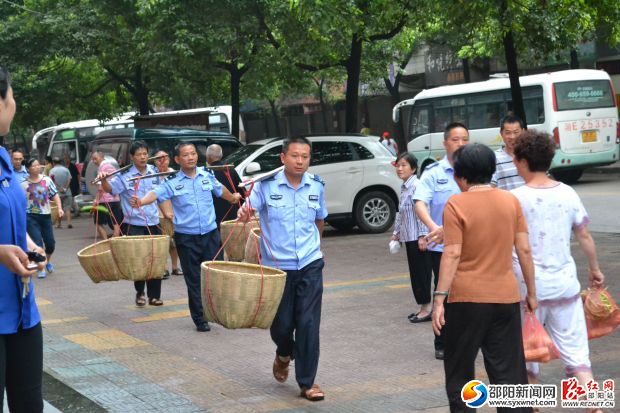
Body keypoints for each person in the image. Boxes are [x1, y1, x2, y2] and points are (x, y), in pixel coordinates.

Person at [431, 143, 537, 413]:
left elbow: (452, 253)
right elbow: (524, 249)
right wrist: (532, 293)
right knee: (509, 376)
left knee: (461, 373)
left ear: (459, 174)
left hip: (465, 300)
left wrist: (439, 298)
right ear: (491, 170)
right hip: (505, 298)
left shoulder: (456, 204)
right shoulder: (510, 201)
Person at [511, 130, 604, 403]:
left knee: (527, 353)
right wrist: (595, 269)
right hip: (564, 285)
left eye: (516, 159)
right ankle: (594, 407)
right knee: (577, 353)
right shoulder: (568, 192)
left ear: (524, 160)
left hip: (527, 291)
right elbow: (584, 235)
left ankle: (534, 408)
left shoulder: (514, 198)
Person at [238, 136, 328, 402]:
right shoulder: (265, 186)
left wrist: (316, 250)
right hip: (277, 268)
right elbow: (248, 209)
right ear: (283, 158)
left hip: (310, 263)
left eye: (305, 157)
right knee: (282, 325)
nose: (300, 161)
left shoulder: (316, 186)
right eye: (295, 156)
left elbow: (319, 220)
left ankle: (307, 382)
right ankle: (283, 354)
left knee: (309, 323)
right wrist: (244, 213)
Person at [132, 142, 241, 331]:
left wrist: (232, 197)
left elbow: (219, 190)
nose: (190, 157)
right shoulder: (172, 182)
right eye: (185, 155)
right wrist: (140, 201)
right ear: (177, 159)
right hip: (186, 238)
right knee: (194, 278)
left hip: (210, 235)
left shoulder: (207, 175)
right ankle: (200, 319)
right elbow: (155, 194)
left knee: (215, 276)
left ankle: (214, 311)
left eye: (193, 154)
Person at [0, 64, 46, 412]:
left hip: (21, 309)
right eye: (12, 95)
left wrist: (27, 241)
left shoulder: (4, 160)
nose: (13, 104)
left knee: (29, 403)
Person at [413, 122, 469, 360]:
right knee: (444, 292)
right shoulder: (434, 173)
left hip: (472, 245)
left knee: (468, 292)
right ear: (445, 143)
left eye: (465, 139)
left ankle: (469, 339)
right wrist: (434, 227)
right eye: (455, 139)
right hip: (441, 247)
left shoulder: (475, 170)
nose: (460, 144)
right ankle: (442, 341)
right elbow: (419, 203)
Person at [99, 141, 164, 307]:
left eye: (145, 153)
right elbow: (110, 190)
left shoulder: (154, 171)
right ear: (132, 157)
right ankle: (140, 293)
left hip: (154, 222)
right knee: (139, 260)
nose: (143, 157)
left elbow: (161, 194)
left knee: (155, 259)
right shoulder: (125, 174)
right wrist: (104, 181)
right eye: (139, 154)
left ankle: (155, 296)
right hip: (133, 223)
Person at [391, 152, 433, 323]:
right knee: (416, 274)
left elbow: (423, 211)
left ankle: (427, 309)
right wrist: (396, 232)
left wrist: (424, 235)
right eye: (398, 165)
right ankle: (423, 307)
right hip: (409, 237)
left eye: (404, 165)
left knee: (422, 274)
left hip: (418, 238)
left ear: (413, 168)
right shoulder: (404, 187)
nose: (400, 169)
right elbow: (401, 213)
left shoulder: (417, 185)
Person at [21, 158, 63, 279]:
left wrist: (59, 208)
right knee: (37, 243)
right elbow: (18, 201)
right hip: (30, 217)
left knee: (50, 244)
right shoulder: (23, 184)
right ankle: (41, 267)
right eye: (34, 166)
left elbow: (55, 195)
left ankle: (47, 261)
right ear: (28, 169)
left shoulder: (47, 180)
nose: (38, 167)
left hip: (45, 216)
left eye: (38, 165)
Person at [153, 150, 182, 278]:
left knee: (174, 242)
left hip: (173, 213)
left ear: (169, 159)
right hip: (157, 214)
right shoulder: (152, 175)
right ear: (154, 161)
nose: (162, 161)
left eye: (165, 158)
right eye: (159, 159)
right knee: (162, 243)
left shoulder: (174, 174)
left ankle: (175, 267)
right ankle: (163, 268)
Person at [206, 143, 243, 228]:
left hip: (213, 217)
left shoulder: (206, 174)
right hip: (232, 215)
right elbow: (241, 191)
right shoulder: (230, 170)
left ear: (207, 158)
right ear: (221, 155)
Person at [90, 151, 123, 239]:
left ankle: (106, 243)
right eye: (92, 159)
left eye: (95, 158)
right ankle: (115, 244)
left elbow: (101, 188)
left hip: (104, 200)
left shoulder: (102, 167)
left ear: (102, 157)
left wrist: (96, 200)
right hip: (116, 199)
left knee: (98, 224)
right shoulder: (111, 167)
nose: (94, 161)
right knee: (116, 224)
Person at [491, 115, 525, 190]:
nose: (512, 137)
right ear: (501, 133)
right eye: (508, 133)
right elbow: (491, 186)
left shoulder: (531, 154)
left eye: (516, 132)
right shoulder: (494, 157)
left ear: (522, 132)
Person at [49, 157, 73, 229]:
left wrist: (59, 188)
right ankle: (69, 223)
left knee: (59, 208)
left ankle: (59, 224)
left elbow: (51, 182)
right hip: (67, 192)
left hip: (57, 193)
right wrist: (65, 188)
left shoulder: (52, 171)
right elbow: (69, 179)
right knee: (67, 208)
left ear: (53, 163)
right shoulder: (66, 170)